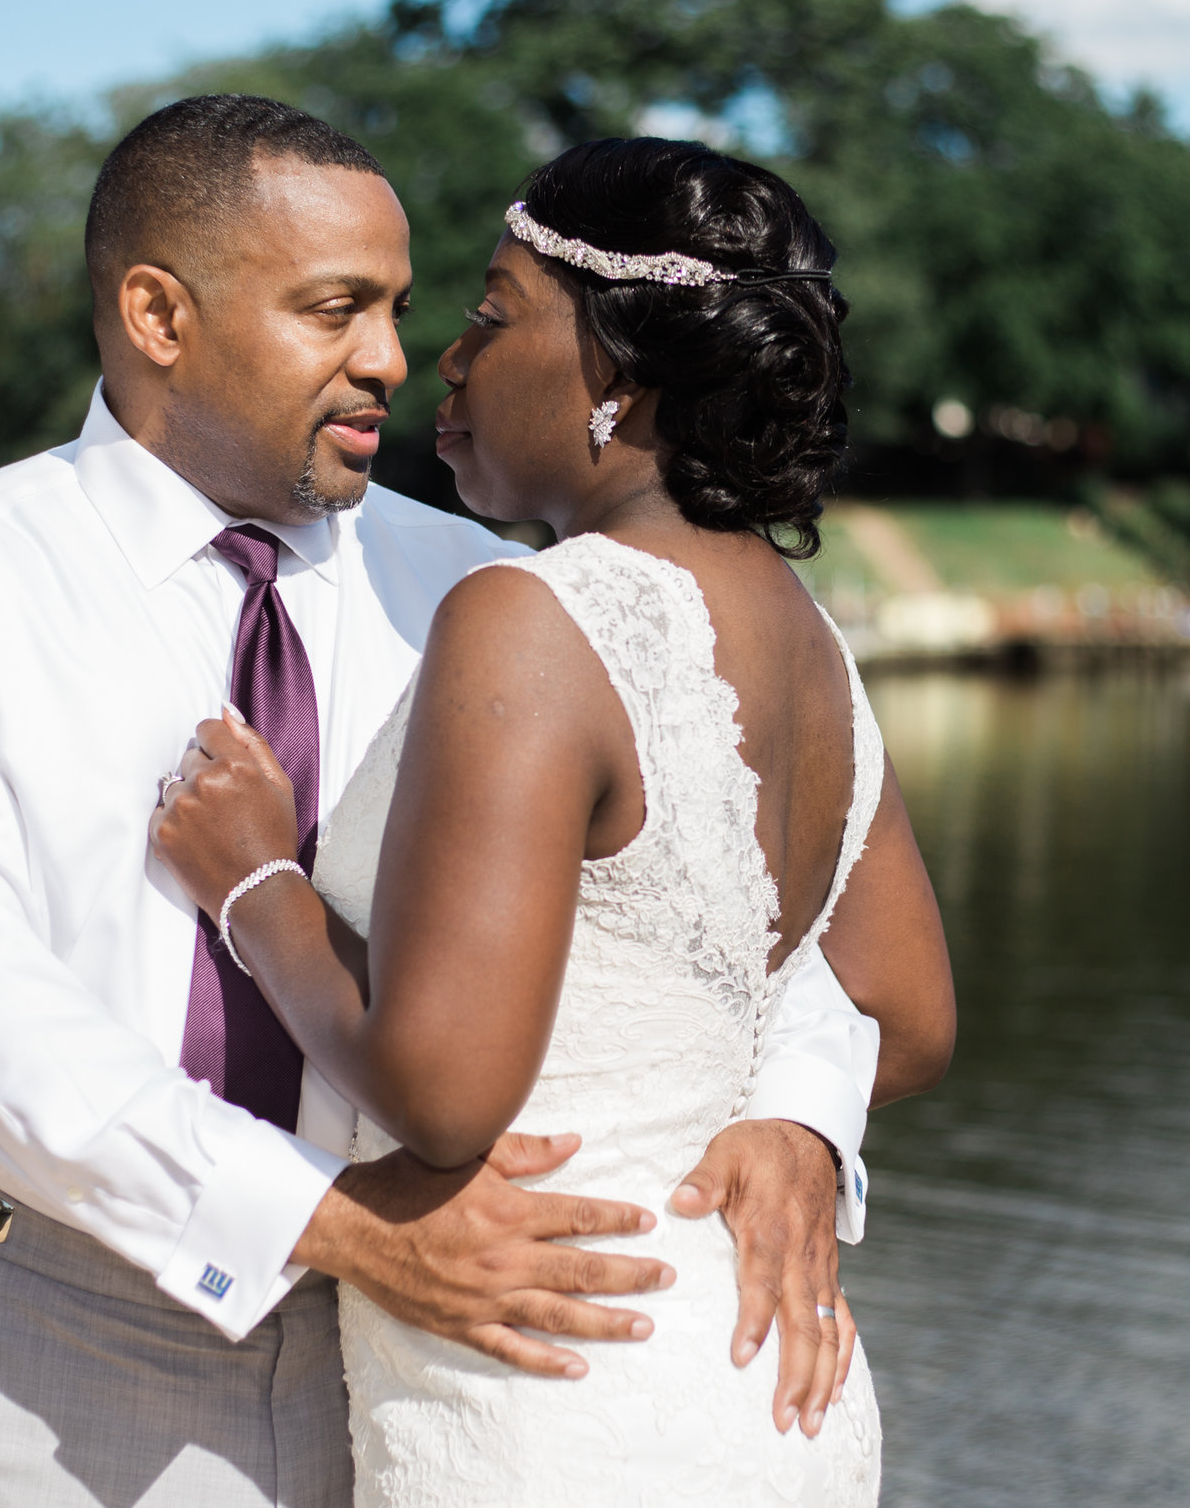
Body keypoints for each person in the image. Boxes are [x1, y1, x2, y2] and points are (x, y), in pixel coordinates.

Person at [0, 97, 904, 1507]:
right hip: (67, 1343)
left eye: (399, 306)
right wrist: (329, 1224)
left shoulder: (503, 593)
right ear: (158, 315)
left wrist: (804, 1118)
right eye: (334, 310)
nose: (390, 358)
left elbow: (730, 904)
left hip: (461, 1365)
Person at [151, 138, 959, 1506]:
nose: (443, 361)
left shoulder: (533, 617)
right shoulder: (808, 642)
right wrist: (796, 1123)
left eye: (493, 309)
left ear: (620, 378)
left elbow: (442, 1092)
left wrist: (258, 888)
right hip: (761, 1380)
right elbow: (913, 1013)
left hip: (559, 1394)